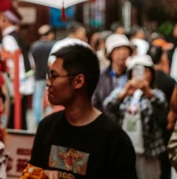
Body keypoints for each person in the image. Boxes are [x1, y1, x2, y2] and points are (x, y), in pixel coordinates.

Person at [29, 42, 137, 178]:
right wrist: (42, 174)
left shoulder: (114, 138)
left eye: (54, 76)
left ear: (78, 81)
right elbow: (33, 171)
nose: (48, 83)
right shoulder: (47, 127)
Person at [104, 55, 167, 179]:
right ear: (130, 73)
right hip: (125, 149)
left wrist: (147, 91)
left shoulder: (155, 93)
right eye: (137, 70)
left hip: (148, 151)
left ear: (152, 74)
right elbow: (107, 107)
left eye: (146, 70)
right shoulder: (122, 92)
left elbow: (162, 106)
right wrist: (124, 93)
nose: (141, 74)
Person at [0, 6, 35, 129]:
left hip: (17, 85)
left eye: (0, 19)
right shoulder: (18, 35)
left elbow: (15, 64)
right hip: (23, 83)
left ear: (6, 20)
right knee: (20, 118)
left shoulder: (8, 38)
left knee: (16, 120)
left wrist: (17, 88)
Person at [148, 44, 175, 179]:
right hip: (164, 132)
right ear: (163, 58)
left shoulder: (143, 81)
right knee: (164, 169)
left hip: (148, 134)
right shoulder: (170, 81)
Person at [92, 33, 133, 111]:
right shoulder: (100, 75)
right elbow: (95, 102)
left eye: (125, 49)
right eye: (118, 49)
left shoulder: (132, 74)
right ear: (110, 53)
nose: (122, 53)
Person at [31, 26, 55, 126]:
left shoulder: (34, 46)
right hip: (50, 75)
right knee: (50, 97)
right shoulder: (53, 45)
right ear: (49, 34)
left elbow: (33, 63)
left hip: (38, 75)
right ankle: (49, 117)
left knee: (37, 98)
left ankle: (38, 119)